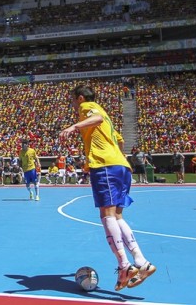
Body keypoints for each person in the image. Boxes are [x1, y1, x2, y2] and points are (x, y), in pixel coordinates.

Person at [59, 84, 156, 291]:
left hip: (105, 166)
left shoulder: (88, 107)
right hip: (120, 166)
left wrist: (73, 127)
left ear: (81, 97)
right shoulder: (107, 117)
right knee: (118, 216)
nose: (73, 104)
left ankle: (124, 266)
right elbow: (120, 142)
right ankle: (141, 262)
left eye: (73, 99)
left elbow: (97, 118)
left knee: (107, 215)